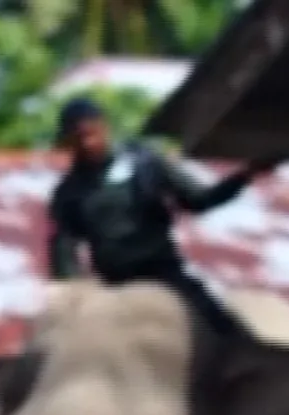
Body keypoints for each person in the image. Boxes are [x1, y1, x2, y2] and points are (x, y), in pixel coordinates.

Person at [47, 96, 272, 339]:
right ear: (68, 141)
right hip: (115, 285)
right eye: (79, 138)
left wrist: (246, 176)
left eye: (91, 133)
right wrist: (73, 295)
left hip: (164, 273)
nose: (88, 143)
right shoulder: (68, 192)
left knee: (224, 330)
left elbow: (198, 199)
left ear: (104, 126)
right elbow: (64, 249)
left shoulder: (144, 161)